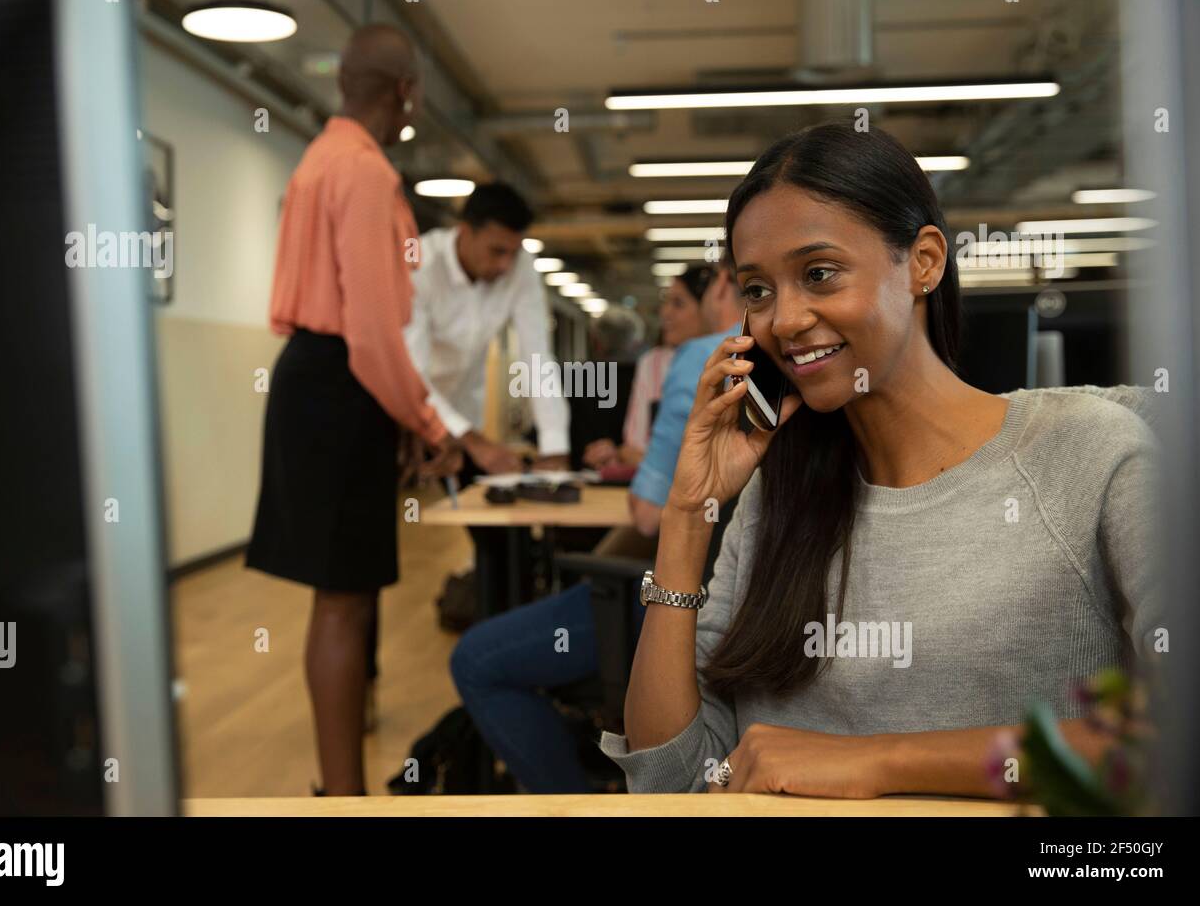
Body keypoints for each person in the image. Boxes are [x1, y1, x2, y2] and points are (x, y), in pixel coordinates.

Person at [602, 122, 1161, 797]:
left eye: (818, 273)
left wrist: (878, 760)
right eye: (758, 290)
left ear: (923, 262)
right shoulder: (778, 494)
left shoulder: (1091, 454)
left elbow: (1182, 740)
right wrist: (689, 514)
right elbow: (670, 784)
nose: (783, 320)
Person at [246, 24, 455, 797]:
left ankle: (339, 789)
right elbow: (372, 337)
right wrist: (429, 426)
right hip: (341, 383)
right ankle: (343, 798)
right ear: (404, 91)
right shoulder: (364, 173)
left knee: (346, 594)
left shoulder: (316, 159)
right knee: (342, 600)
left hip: (318, 378)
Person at [448, 263, 745, 793]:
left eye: (676, 302)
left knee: (475, 660)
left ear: (721, 285)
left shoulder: (699, 360)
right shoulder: (777, 358)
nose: (664, 316)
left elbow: (648, 514)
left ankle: (571, 801)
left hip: (675, 604)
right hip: (745, 604)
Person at [403, 182, 570, 477]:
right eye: (496, 251)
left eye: (513, 252)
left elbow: (537, 358)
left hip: (466, 414)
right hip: (410, 410)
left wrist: (554, 445)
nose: (506, 265)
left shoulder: (521, 268)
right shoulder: (421, 266)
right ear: (465, 231)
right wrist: (471, 440)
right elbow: (412, 373)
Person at [583, 265, 715, 471]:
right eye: (666, 303)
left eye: (678, 304)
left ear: (710, 307)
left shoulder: (731, 363)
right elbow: (631, 448)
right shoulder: (652, 363)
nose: (665, 313)